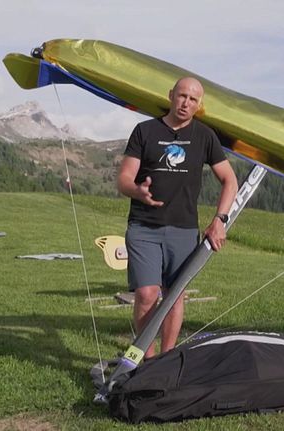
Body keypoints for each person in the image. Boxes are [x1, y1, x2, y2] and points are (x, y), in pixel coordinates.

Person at [117, 77, 238, 359]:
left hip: (183, 229)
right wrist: (137, 190)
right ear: (171, 95)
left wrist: (219, 219)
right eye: (182, 96)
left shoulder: (205, 136)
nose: (186, 103)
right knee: (147, 294)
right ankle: (147, 360)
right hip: (144, 227)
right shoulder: (145, 131)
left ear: (199, 104)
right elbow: (123, 179)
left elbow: (230, 181)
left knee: (174, 296)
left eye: (193, 99)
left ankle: (167, 359)